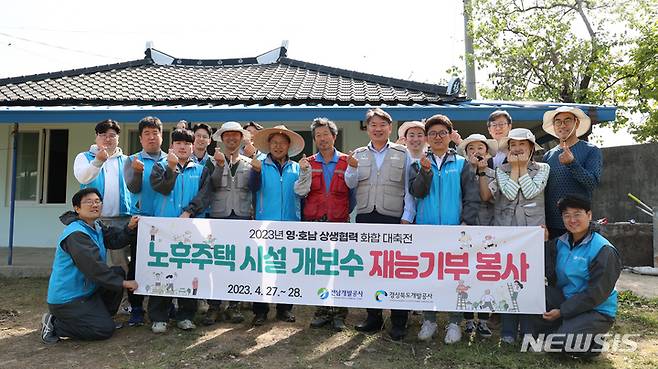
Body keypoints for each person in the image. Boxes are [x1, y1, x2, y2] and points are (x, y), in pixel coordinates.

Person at [344, 108, 415, 341]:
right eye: (373, 124)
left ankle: (398, 321)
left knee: (395, 270)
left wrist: (407, 215)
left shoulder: (403, 153)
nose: (377, 128)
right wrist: (352, 166)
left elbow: (409, 189)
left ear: (390, 128)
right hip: (366, 216)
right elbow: (350, 183)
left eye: (382, 124)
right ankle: (373, 317)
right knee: (370, 268)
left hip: (393, 216)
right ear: (368, 128)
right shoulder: (359, 154)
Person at [40, 188, 139, 344]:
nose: (95, 205)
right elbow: (94, 268)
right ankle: (55, 324)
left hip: (87, 291)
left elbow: (115, 240)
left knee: (117, 272)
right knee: (103, 330)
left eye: (97, 201)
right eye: (88, 202)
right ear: (77, 208)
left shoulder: (96, 226)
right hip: (69, 299)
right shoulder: (76, 234)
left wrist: (130, 228)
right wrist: (125, 284)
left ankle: (99, 318)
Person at [480, 128, 550, 344]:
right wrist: (515, 170)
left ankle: (528, 331)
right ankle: (508, 332)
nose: (517, 148)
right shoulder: (500, 170)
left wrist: (521, 169)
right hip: (506, 233)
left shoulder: (543, 168)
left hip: (533, 234)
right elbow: (509, 193)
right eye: (513, 145)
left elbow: (531, 192)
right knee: (506, 281)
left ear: (531, 148)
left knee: (531, 282)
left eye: (523, 144)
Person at [530, 195, 621, 357]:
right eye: (567, 215)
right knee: (534, 295)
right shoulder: (560, 242)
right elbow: (549, 274)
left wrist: (562, 312)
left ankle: (591, 343)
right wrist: (544, 243)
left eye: (577, 214)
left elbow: (596, 294)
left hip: (595, 310)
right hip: (566, 300)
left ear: (589, 215)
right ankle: (567, 330)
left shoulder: (603, 249)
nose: (572, 220)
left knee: (556, 343)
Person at [408, 115, 468, 343]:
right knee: (428, 275)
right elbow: (417, 193)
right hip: (427, 230)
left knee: (457, 277)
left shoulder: (462, 163)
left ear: (450, 136)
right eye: (432, 134)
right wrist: (425, 171)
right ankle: (429, 319)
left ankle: (454, 322)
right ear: (427, 138)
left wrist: (466, 222)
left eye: (442, 132)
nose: (437, 137)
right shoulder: (417, 164)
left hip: (456, 230)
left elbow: (471, 197)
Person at [147, 128, 212, 333]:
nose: (183, 147)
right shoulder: (159, 167)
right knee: (162, 273)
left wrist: (189, 212)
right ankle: (159, 317)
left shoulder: (201, 169)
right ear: (171, 147)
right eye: (178, 143)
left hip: (191, 228)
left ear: (193, 147)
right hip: (164, 230)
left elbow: (205, 195)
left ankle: (186, 315)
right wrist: (172, 168)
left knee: (188, 272)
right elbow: (162, 188)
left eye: (187, 143)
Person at [294, 118, 351, 331]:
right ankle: (322, 311)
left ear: (334, 136)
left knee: (340, 269)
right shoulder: (307, 163)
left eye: (326, 134)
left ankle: (339, 314)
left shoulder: (347, 161)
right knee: (319, 269)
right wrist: (304, 172)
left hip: (339, 222)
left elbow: (352, 194)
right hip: (315, 223)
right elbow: (300, 192)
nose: (322, 139)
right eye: (318, 135)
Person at [248, 125, 306, 326]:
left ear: (288, 146)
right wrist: (255, 172)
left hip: (291, 224)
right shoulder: (259, 165)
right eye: (274, 143)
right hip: (265, 225)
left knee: (287, 268)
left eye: (282, 143)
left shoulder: (297, 168)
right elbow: (252, 188)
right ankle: (260, 311)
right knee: (262, 269)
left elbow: (303, 195)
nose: (278, 147)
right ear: (268, 145)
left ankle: (284, 309)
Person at [199, 121, 253, 326]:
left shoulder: (250, 163)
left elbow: (254, 190)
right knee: (215, 262)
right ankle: (214, 306)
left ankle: (234, 305)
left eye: (235, 135)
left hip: (241, 216)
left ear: (241, 139)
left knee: (238, 261)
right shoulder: (211, 162)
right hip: (218, 217)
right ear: (221, 139)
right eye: (227, 135)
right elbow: (209, 186)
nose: (231, 138)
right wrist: (219, 166)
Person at [451, 133, 499, 340]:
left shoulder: (494, 173)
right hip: (466, 227)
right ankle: (468, 319)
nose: (476, 152)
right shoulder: (461, 171)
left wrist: (481, 172)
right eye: (471, 149)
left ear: (487, 153)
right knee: (466, 275)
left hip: (488, 227)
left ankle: (484, 320)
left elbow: (490, 197)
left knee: (486, 274)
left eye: (480, 148)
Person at [122, 116, 168, 326]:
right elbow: (132, 188)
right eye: (147, 134)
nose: (151, 137)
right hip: (141, 222)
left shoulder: (170, 160)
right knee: (138, 266)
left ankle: (165, 307)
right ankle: (137, 308)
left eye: (155, 133)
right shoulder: (131, 160)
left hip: (166, 223)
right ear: (140, 138)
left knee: (167, 265)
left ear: (161, 136)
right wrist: (138, 173)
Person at [73, 119, 132, 282]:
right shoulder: (84, 157)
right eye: (103, 135)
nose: (108, 138)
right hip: (93, 221)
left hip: (121, 220)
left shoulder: (127, 160)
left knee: (121, 263)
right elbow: (83, 177)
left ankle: (123, 301)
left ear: (118, 138)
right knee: (93, 261)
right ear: (96, 137)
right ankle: (91, 298)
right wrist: (98, 160)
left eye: (112, 135)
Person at [542, 106, 603, 240]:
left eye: (567, 120)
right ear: (554, 126)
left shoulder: (591, 150)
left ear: (577, 123)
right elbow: (544, 192)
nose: (562, 125)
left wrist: (572, 163)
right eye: (558, 121)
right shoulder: (548, 156)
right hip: (553, 225)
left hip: (579, 224)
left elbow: (592, 183)